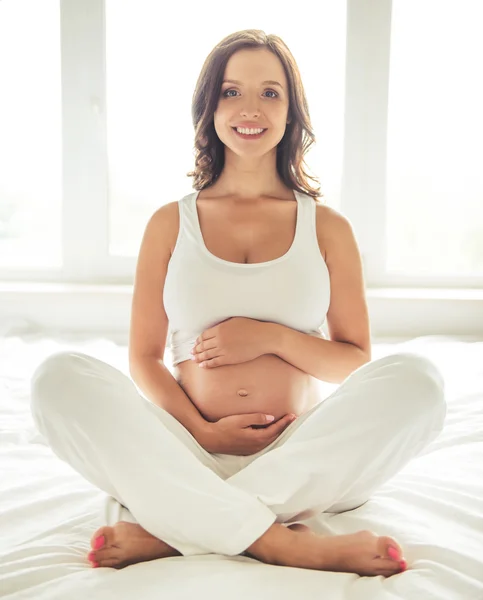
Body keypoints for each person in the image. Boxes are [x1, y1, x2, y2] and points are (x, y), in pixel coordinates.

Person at [30, 29, 446, 578]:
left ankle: (175, 529)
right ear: (210, 106)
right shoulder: (168, 224)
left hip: (300, 454)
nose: (250, 108)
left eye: (270, 93)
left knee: (421, 381)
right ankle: (285, 542)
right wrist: (201, 433)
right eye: (232, 92)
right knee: (57, 378)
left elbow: (354, 359)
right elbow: (145, 359)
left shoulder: (328, 228)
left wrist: (271, 336)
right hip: (184, 448)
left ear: (291, 110)